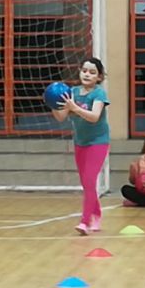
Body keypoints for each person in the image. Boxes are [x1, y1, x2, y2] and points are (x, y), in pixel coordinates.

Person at [52, 57, 110, 235]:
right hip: (80, 142)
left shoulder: (99, 94)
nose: (87, 74)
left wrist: (75, 108)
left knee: (90, 180)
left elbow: (94, 117)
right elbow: (61, 117)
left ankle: (85, 221)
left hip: (98, 141)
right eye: (84, 71)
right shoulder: (72, 92)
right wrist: (52, 103)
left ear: (99, 77)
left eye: (92, 72)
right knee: (86, 184)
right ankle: (97, 214)